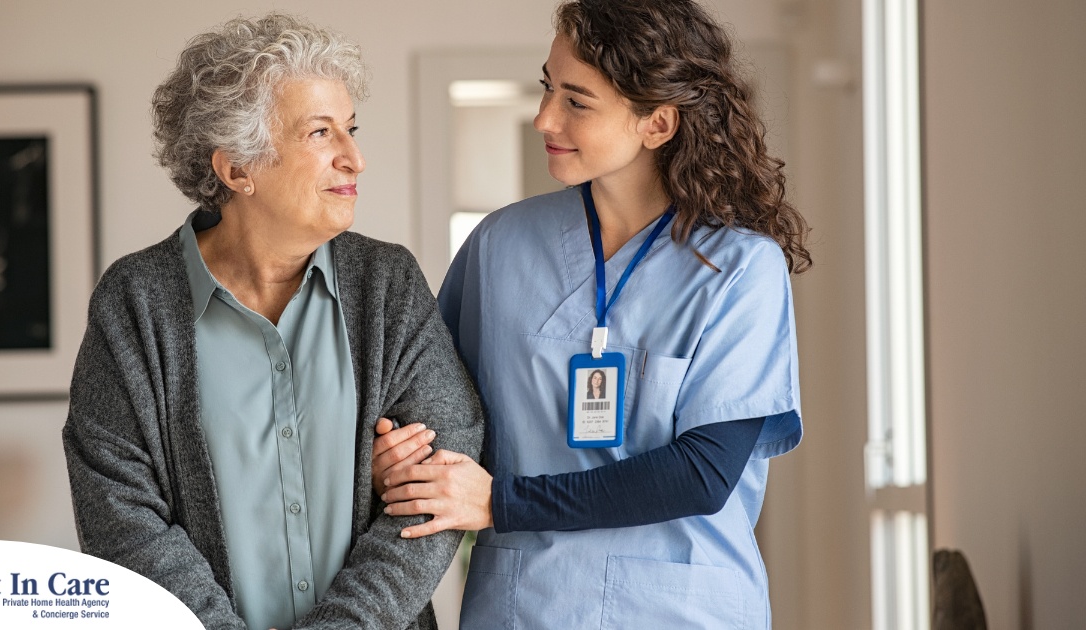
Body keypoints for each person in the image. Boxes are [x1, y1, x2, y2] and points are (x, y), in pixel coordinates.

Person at [371, 0, 810, 627]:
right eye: (548, 88)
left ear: (657, 124)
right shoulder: (500, 246)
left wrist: (502, 501)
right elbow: (433, 413)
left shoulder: (740, 269)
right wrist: (404, 457)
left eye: (577, 101)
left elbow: (703, 473)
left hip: (680, 612)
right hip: (524, 607)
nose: (544, 116)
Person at [62, 14, 483, 630]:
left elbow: (442, 475)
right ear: (237, 170)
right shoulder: (135, 302)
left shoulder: (386, 283)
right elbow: (118, 515)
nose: (355, 158)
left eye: (350, 129)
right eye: (320, 133)